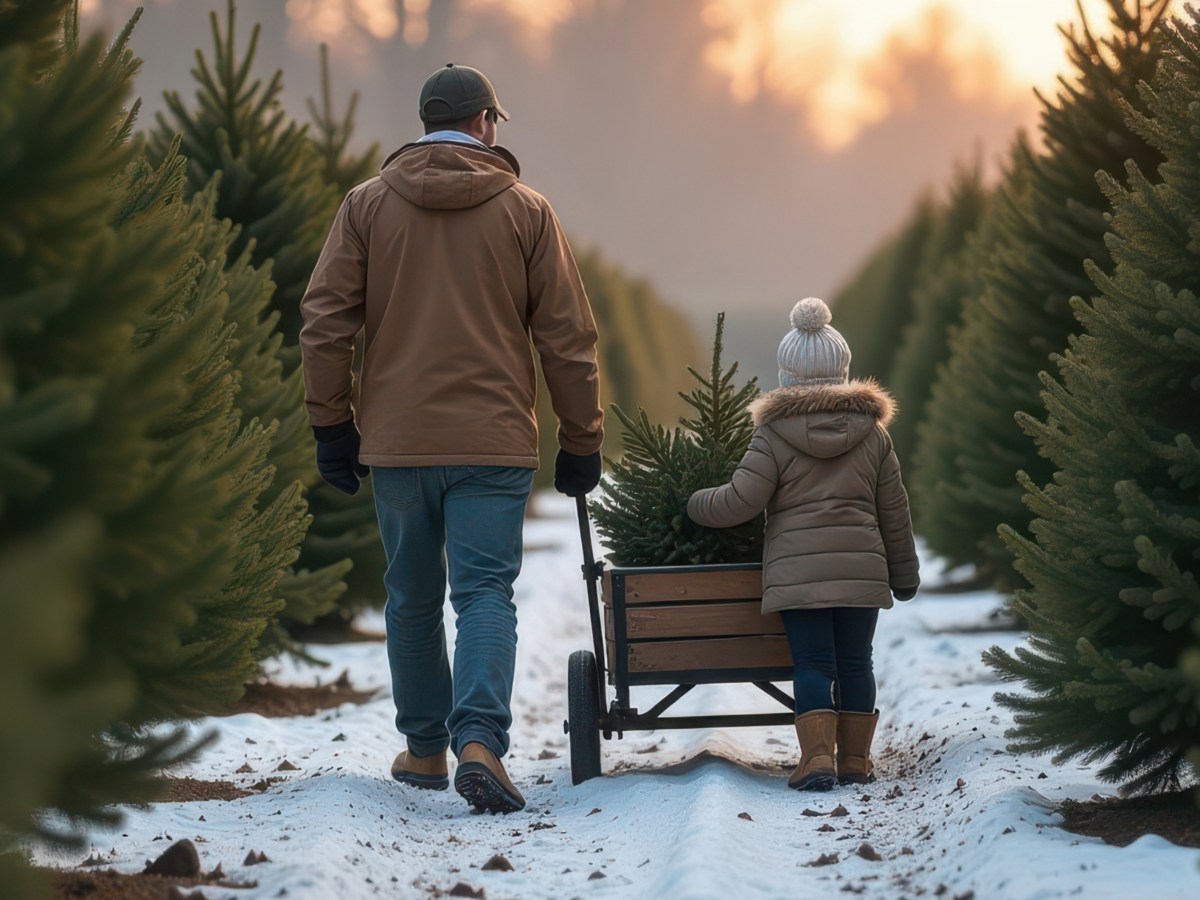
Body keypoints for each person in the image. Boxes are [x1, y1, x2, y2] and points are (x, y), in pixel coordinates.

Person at [299, 63, 604, 814]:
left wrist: (331, 423)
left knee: (410, 597)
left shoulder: (366, 207)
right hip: (493, 443)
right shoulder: (528, 212)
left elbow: (324, 321)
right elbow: (568, 338)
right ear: (484, 124)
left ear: (424, 120)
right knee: (483, 594)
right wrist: (581, 436)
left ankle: (427, 747)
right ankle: (479, 744)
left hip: (398, 443)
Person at [686, 297, 918, 791]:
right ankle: (855, 760)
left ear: (786, 373)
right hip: (861, 574)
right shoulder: (874, 436)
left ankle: (815, 761)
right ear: (843, 368)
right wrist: (905, 574)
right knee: (857, 661)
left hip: (799, 577)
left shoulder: (773, 434)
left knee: (813, 663)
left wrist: (694, 504)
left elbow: (740, 500)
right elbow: (894, 512)